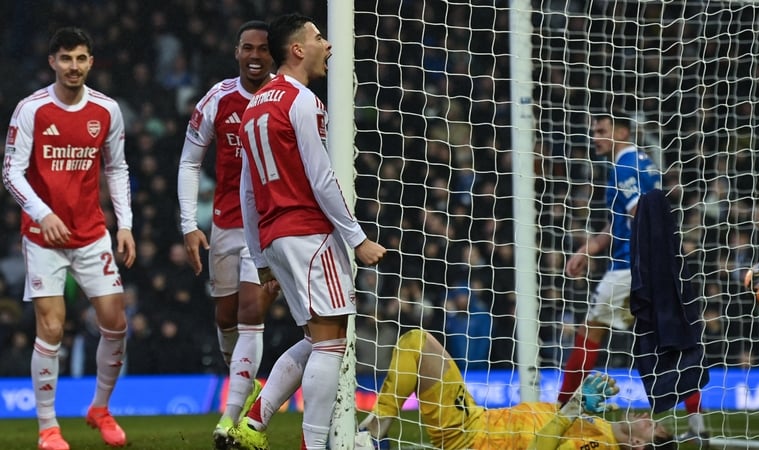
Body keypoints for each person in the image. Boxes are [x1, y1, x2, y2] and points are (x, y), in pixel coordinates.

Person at [232, 13, 387, 450]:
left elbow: (247, 191)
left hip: (274, 236)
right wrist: (358, 239)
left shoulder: (254, 106)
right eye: (320, 38)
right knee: (331, 341)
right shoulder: (302, 102)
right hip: (308, 232)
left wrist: (261, 258)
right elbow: (322, 180)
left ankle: (254, 422)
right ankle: (315, 446)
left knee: (314, 336)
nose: (328, 45)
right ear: (298, 49)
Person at [2, 27, 136, 450]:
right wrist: (43, 214)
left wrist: (126, 224)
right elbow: (10, 172)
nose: (73, 66)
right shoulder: (31, 110)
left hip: (92, 234)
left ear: (91, 62)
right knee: (52, 327)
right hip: (43, 237)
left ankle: (99, 409)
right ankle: (47, 428)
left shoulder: (107, 110)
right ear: (52, 62)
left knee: (115, 323)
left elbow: (117, 169)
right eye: (65, 59)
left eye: (80, 58)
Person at [176, 20, 307, 449]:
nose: (255, 55)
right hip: (226, 224)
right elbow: (190, 161)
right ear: (236, 52)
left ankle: (229, 420)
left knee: (252, 310)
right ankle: (243, 386)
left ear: (275, 54)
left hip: (270, 223)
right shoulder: (218, 98)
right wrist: (188, 225)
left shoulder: (286, 99)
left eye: (263, 49)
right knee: (225, 318)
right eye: (247, 48)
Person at [558, 114, 706, 440]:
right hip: (649, 268)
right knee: (672, 341)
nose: (594, 136)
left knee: (590, 331)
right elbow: (620, 225)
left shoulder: (625, 167)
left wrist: (649, 268)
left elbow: (640, 216)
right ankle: (697, 426)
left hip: (629, 268)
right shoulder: (644, 163)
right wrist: (588, 248)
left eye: (601, 130)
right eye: (592, 130)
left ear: (622, 131)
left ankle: (559, 412)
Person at [356, 329, 676, 450]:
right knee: (418, 343)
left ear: (637, 444)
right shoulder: (601, 424)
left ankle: (371, 438)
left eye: (653, 426)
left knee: (418, 344)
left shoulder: (599, 448)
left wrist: (573, 409)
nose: (649, 417)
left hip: (474, 441)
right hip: (477, 420)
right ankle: (375, 433)